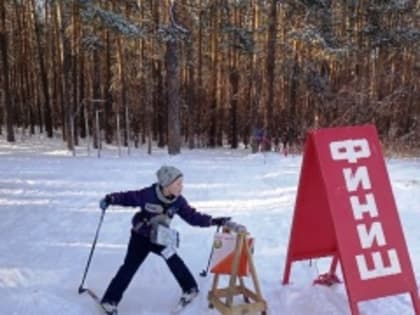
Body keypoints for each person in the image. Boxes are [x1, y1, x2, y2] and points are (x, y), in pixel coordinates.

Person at [99, 165, 231, 315]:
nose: (182, 187)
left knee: (173, 259)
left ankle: (190, 288)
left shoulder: (178, 201)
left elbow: (193, 217)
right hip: (140, 237)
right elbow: (128, 197)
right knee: (129, 267)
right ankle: (110, 300)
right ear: (166, 185)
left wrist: (212, 221)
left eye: (182, 183)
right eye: (178, 183)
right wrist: (111, 199)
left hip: (160, 237)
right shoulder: (148, 194)